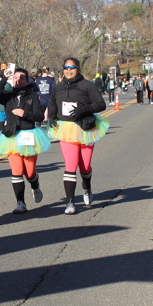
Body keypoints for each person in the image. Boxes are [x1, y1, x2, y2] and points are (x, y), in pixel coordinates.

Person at [48, 57, 108, 214]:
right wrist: (51, 116)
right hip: (66, 129)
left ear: (78, 69)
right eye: (66, 67)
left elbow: (100, 104)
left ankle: (87, 187)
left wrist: (83, 109)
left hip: (85, 128)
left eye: (72, 67)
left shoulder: (87, 85)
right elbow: (52, 104)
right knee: (70, 165)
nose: (69, 70)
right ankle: (70, 203)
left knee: (85, 166)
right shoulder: (58, 87)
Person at [0, 68, 49, 213]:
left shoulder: (32, 96)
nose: (18, 80)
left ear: (27, 81)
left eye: (22, 78)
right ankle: (21, 203)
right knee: (17, 171)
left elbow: (39, 116)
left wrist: (24, 114)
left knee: (29, 172)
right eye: (15, 77)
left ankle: (35, 185)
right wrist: (3, 79)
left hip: (29, 135)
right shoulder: (7, 96)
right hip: (12, 136)